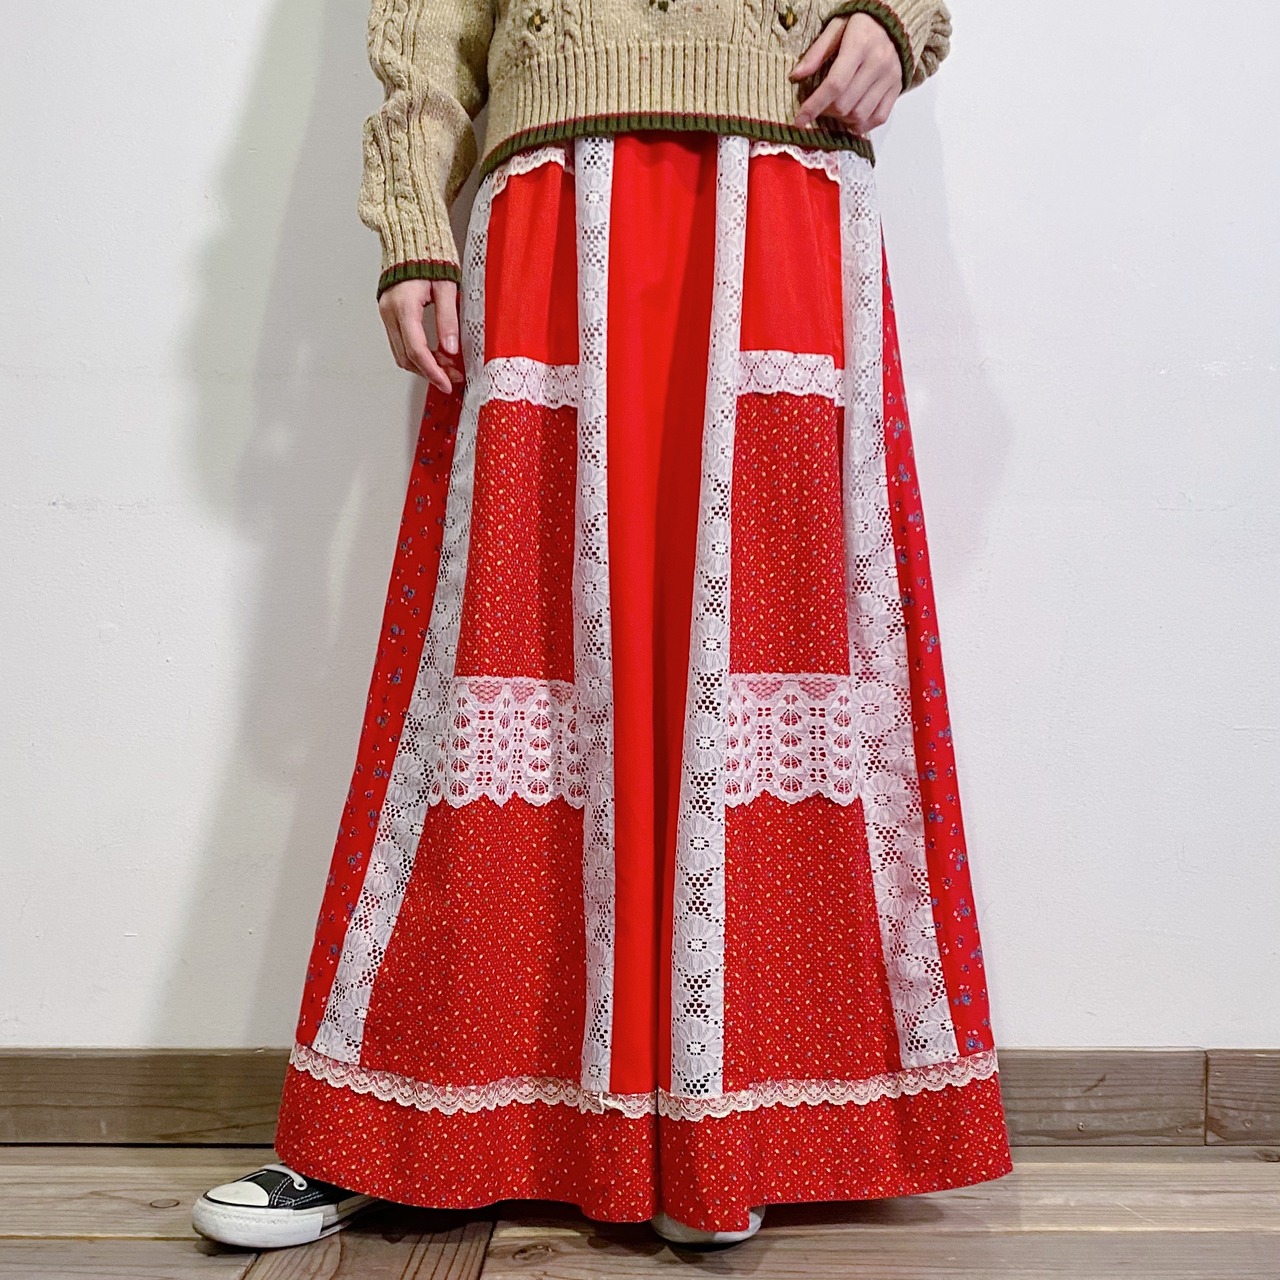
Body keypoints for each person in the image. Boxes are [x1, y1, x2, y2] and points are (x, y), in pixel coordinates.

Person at [193, 0, 1015, 1252]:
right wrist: (412, 224)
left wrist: (893, 20)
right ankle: (397, 1122)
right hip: (551, 198)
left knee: (769, 660)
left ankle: (722, 1128)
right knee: (504, 672)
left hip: (779, 180)